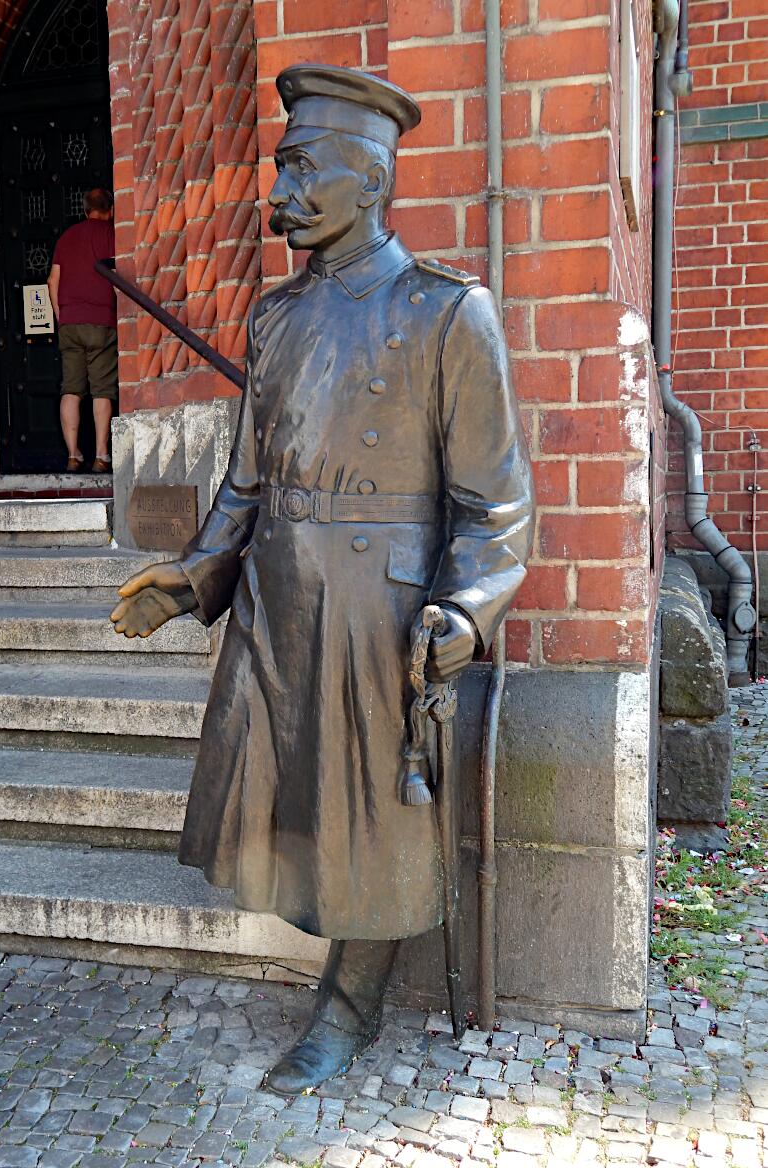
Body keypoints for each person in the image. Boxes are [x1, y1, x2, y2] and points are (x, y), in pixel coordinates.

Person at [110, 64, 535, 1093]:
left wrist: (467, 610)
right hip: (277, 598)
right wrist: (197, 576)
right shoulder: (275, 317)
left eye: (302, 171)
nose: (279, 194)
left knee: (372, 821)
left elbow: (497, 506)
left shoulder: (447, 314)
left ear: (367, 179)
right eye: (279, 167)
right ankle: (331, 972)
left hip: (380, 609)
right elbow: (246, 480)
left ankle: (348, 1011)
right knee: (294, 798)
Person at [47, 186, 117, 473]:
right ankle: (101, 455)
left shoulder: (66, 237)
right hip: (102, 321)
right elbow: (117, 276)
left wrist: (61, 315)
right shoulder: (112, 235)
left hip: (70, 322)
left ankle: (73, 455)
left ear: (86, 209)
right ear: (110, 210)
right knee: (102, 390)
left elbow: (53, 280)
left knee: (71, 390)